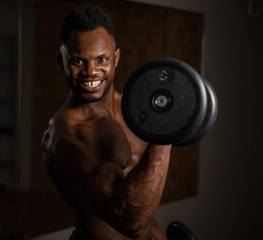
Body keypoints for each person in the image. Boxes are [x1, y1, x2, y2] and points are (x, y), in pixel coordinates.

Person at [42, 7, 172, 240]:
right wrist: (165, 134)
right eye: (78, 61)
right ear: (61, 62)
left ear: (116, 58)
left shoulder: (131, 108)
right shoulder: (67, 134)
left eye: (102, 59)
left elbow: (144, 201)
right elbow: (130, 220)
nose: (91, 71)